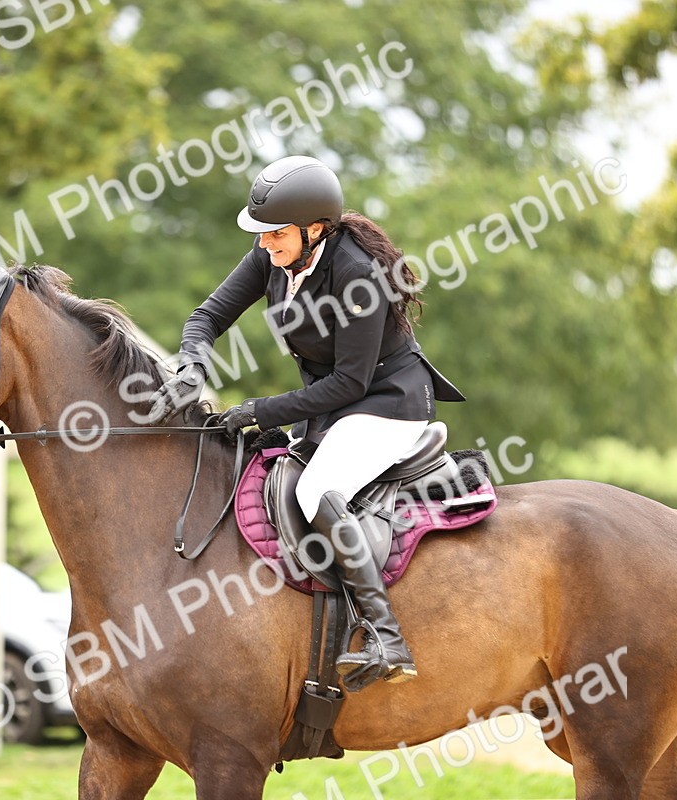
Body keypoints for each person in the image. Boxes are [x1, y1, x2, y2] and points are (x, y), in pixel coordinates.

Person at [147, 155, 464, 688]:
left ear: (314, 229)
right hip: (336, 408)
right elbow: (207, 316)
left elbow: (349, 384)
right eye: (263, 235)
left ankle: (387, 637)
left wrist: (255, 411)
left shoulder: (359, 274)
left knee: (316, 489)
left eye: (276, 234)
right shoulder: (273, 254)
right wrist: (193, 365)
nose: (267, 244)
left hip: (388, 404)